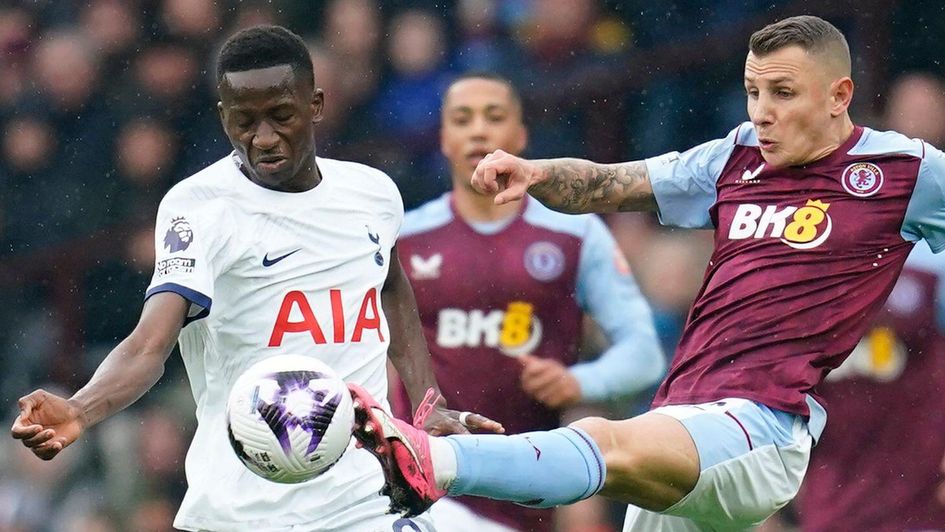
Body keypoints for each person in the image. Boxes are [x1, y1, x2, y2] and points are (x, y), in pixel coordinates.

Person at [343, 15, 945, 531]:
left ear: (839, 96)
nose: (762, 113)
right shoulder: (734, 157)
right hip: (680, 418)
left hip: (762, 425)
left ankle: (431, 461)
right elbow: (614, 183)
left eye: (783, 94)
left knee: (608, 441)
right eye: (752, 93)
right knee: (621, 445)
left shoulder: (904, 171)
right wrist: (536, 174)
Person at [10, 25, 501, 532]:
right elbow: (147, 345)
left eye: (281, 116)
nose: (262, 138)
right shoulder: (198, 209)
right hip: (242, 513)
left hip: (364, 501)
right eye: (243, 121)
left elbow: (391, 284)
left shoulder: (372, 193)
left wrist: (427, 404)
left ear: (315, 104)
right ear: (224, 118)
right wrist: (80, 409)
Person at [391, 72, 665, 532]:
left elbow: (644, 353)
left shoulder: (574, 232)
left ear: (519, 136)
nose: (478, 129)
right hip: (427, 480)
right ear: (444, 139)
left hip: (533, 484)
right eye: (463, 118)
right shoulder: (406, 237)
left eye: (493, 117)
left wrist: (578, 383)